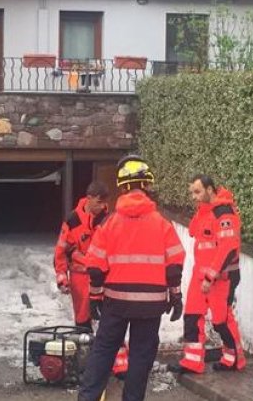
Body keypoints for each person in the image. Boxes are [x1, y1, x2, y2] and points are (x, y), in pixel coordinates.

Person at [77, 155, 185, 401]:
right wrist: (176, 296)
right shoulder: (162, 224)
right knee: (141, 358)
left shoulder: (110, 224)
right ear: (146, 186)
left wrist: (94, 296)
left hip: (116, 303)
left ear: (122, 186)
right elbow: (175, 264)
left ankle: (88, 398)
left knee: (103, 352)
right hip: (151, 305)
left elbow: (95, 265)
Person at [171, 175, 246, 375]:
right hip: (202, 275)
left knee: (221, 321)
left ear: (210, 189)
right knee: (192, 316)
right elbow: (196, 233)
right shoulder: (206, 211)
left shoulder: (224, 213)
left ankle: (234, 359)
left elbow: (228, 249)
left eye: (197, 192)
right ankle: (192, 362)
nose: (194, 197)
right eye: (192, 193)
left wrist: (210, 277)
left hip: (221, 277)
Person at [55, 181, 111, 329]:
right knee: (82, 320)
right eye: (99, 202)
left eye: (104, 203)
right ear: (89, 198)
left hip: (102, 277)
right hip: (79, 278)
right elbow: (61, 250)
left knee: (106, 319)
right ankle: (83, 345)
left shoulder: (107, 220)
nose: (101, 206)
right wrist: (61, 277)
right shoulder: (73, 220)